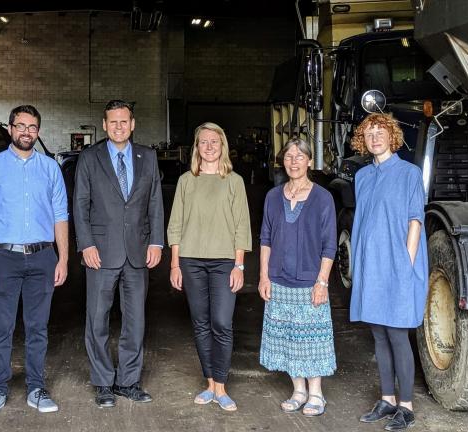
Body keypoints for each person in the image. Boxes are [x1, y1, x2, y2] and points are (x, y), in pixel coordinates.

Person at [0, 105, 69, 415]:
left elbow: (60, 216)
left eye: (33, 127)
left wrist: (63, 258)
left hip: (42, 258)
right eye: (21, 126)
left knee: (38, 327)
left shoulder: (50, 168)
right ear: (10, 129)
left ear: (38, 132)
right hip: (3, 257)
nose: (27, 131)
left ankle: (36, 388)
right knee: (2, 326)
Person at [73, 99, 164, 408]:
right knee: (97, 319)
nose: (118, 126)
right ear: (104, 124)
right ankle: (103, 382)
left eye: (124, 121)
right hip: (100, 251)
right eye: (113, 122)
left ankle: (128, 381)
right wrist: (86, 244)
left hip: (138, 251)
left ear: (133, 124)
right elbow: (80, 204)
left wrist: (156, 242)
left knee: (135, 320)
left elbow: (155, 202)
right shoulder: (89, 157)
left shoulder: (148, 157)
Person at [350, 113, 427, 431]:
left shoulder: (410, 173)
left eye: (380, 131)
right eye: (369, 133)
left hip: (398, 264)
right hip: (372, 265)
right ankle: (387, 399)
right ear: (363, 141)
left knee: (397, 334)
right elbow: (364, 222)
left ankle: (406, 407)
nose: (375, 137)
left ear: (392, 136)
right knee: (379, 335)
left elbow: (415, 219)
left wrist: (406, 264)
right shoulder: (363, 176)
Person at [167, 122, 251, 411]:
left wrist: (239, 265)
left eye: (215, 141)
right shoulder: (186, 181)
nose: (210, 146)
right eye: (204, 142)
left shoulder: (234, 181)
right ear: (197, 147)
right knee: (201, 323)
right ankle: (210, 384)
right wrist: (175, 265)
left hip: (224, 263)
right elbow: (175, 225)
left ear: (222, 146)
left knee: (221, 323)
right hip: (191, 261)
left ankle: (223, 386)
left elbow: (242, 226)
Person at [257, 138, 337, 417]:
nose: (293, 161)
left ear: (309, 162)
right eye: (289, 157)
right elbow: (265, 238)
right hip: (278, 279)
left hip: (309, 282)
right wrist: (263, 276)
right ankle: (298, 391)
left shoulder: (323, 198)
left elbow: (329, 245)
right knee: (288, 337)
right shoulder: (272, 196)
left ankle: (316, 394)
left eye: (299, 157)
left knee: (312, 339)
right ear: (283, 162)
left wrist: (322, 282)